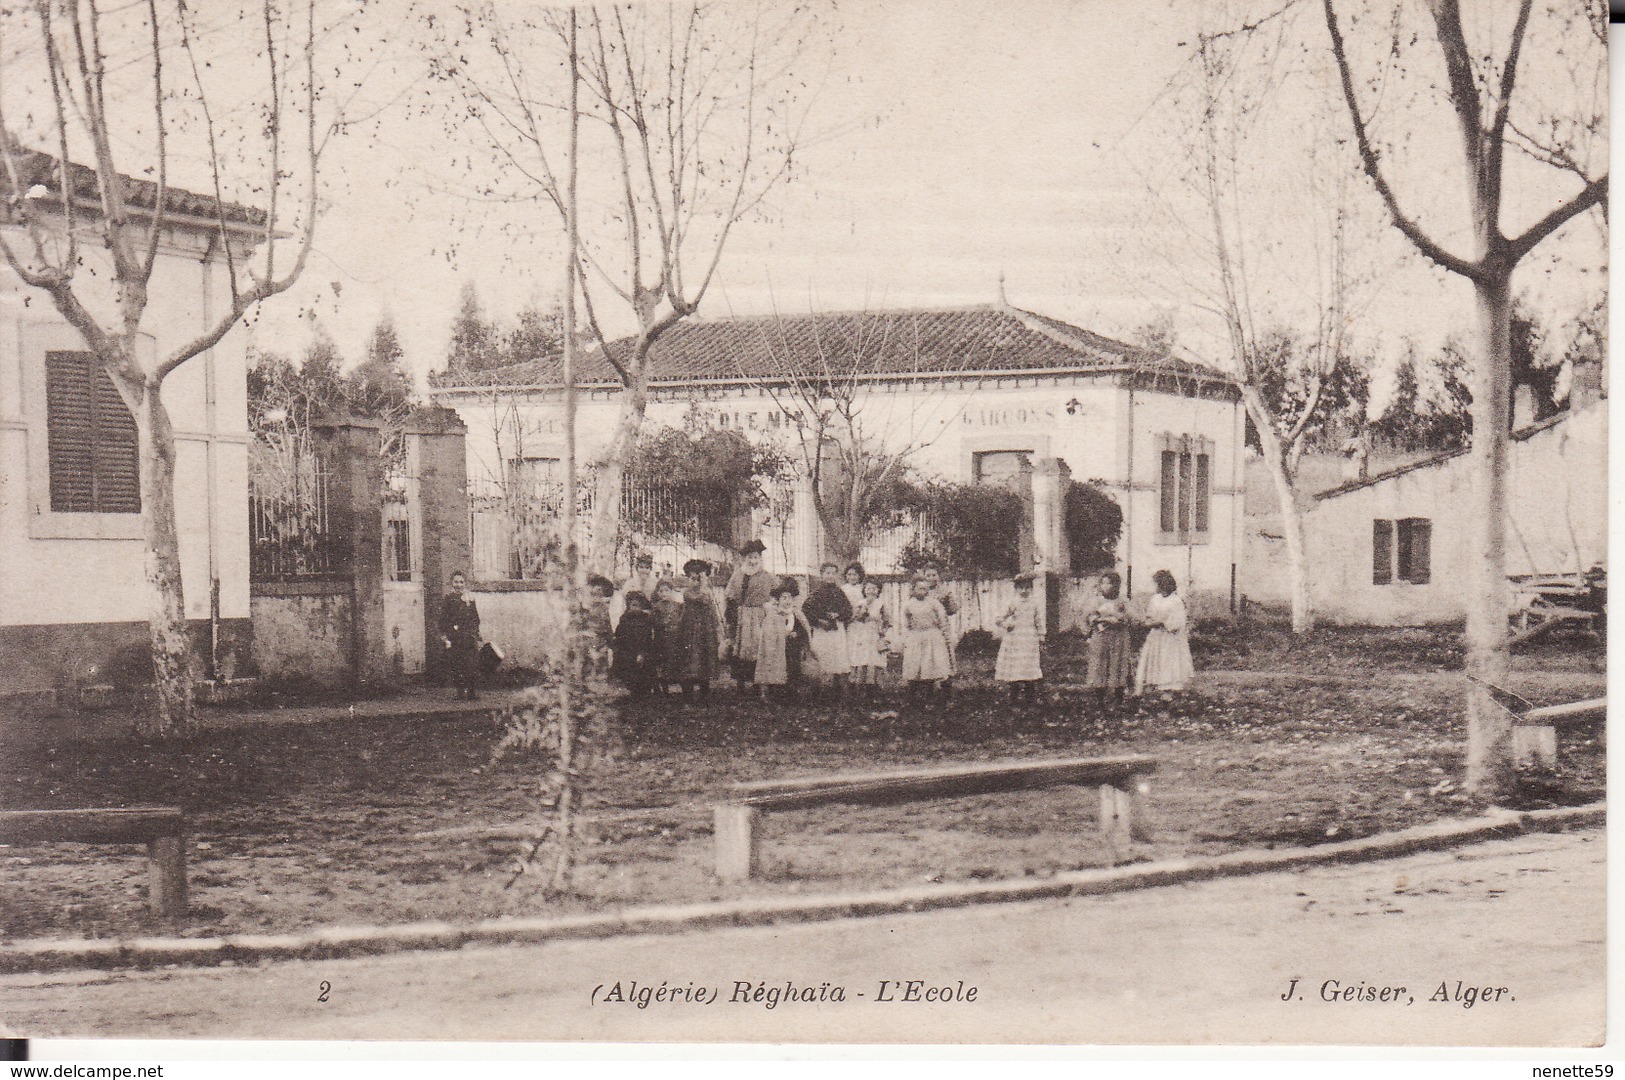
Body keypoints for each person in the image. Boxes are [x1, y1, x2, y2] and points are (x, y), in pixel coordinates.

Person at [723, 539, 780, 690]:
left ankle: (758, 683)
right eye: (749, 557)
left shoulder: (767, 576)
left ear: (760, 558)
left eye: (755, 557)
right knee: (741, 649)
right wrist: (731, 615)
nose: (753, 561)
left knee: (759, 647)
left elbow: (778, 592)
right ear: (744, 559)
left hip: (761, 615)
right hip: (743, 616)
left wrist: (770, 606)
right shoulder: (738, 575)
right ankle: (741, 683)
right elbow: (730, 596)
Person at [1136, 569, 1195, 698]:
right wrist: (1149, 621)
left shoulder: (1175, 601)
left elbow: (1177, 622)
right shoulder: (1155, 599)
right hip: (1156, 636)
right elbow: (1150, 615)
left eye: (1156, 583)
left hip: (1170, 638)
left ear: (1163, 584)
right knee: (1155, 660)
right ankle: (1155, 688)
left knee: (1168, 661)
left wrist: (1161, 622)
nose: (1154, 586)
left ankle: (1168, 691)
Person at [1084, 570, 1134, 713]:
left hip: (1119, 637)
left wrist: (1120, 618)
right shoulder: (1096, 600)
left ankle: (1118, 699)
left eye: (1111, 583)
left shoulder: (1123, 601)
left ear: (1117, 585)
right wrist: (1102, 619)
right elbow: (1089, 617)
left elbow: (1131, 617)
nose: (1107, 587)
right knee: (1100, 665)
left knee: (1119, 664)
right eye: (1104, 583)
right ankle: (1100, 700)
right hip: (1101, 637)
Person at [802, 560, 854, 695]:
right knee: (822, 658)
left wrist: (838, 614)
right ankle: (818, 690)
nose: (830, 576)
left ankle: (838, 689)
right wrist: (819, 621)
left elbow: (848, 610)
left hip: (836, 631)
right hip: (822, 631)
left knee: (838, 658)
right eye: (827, 573)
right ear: (821, 575)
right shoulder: (817, 593)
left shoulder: (839, 592)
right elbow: (806, 610)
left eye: (833, 573)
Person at [994, 572, 1044, 704]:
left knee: (1029, 667)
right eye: (1021, 587)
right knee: (1015, 668)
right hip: (1015, 639)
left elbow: (1038, 620)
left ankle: (1030, 698)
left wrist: (1041, 634)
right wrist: (1007, 625)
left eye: (1027, 587)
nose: (1024, 590)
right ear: (1016, 589)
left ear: (1031, 588)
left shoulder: (1034, 603)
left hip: (1030, 639)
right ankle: (1013, 697)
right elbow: (999, 618)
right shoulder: (1013, 602)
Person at [752, 582, 808, 699]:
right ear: (778, 600)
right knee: (773, 662)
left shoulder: (795, 614)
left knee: (792, 664)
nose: (787, 601)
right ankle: (773, 689)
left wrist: (796, 633)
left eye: (790, 598)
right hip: (776, 647)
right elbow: (767, 633)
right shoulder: (773, 614)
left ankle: (790, 689)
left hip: (791, 647)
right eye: (784, 598)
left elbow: (803, 629)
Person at [900, 575, 952, 700]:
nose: (923, 591)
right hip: (916, 636)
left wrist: (944, 633)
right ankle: (912, 698)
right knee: (915, 666)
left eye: (925, 589)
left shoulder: (934, 603)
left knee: (930, 666)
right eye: (919, 588)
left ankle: (930, 696)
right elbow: (905, 622)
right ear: (913, 589)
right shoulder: (908, 605)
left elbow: (942, 619)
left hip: (932, 637)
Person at [674, 559, 721, 695]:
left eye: (698, 578)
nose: (694, 582)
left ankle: (704, 692)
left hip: (705, 630)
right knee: (689, 660)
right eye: (692, 578)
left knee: (704, 659)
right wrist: (704, 586)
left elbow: (711, 608)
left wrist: (715, 627)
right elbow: (700, 598)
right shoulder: (688, 592)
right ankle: (687, 693)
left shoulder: (706, 591)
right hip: (689, 629)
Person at [438, 570, 482, 700]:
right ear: (451, 583)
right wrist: (448, 633)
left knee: (472, 664)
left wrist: (475, 631)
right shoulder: (448, 599)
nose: (459, 585)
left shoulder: (470, 599)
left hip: (469, 637)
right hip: (455, 637)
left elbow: (475, 617)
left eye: (461, 582)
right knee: (458, 664)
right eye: (456, 582)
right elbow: (443, 619)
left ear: (465, 583)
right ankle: (460, 692)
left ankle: (472, 692)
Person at [920, 561, 959, 692]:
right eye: (928, 575)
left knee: (944, 657)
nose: (931, 578)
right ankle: (928, 689)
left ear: (939, 576)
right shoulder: (920, 590)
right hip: (926, 628)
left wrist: (948, 599)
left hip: (941, 628)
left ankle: (946, 690)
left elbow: (953, 610)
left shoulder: (944, 590)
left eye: (934, 575)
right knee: (927, 657)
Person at [611, 590, 657, 697]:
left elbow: (648, 637)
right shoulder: (624, 619)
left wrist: (642, 652)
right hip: (628, 651)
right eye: (632, 605)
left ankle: (644, 691)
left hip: (643, 650)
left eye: (637, 605)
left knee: (645, 672)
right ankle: (633, 690)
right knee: (629, 672)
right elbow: (619, 636)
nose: (635, 608)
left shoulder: (646, 619)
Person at [847, 576, 886, 695]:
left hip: (875, 634)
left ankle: (873, 686)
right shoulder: (860, 603)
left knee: (874, 660)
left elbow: (887, 619)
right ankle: (859, 685)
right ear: (864, 590)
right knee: (862, 658)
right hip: (862, 634)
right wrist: (864, 608)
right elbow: (855, 618)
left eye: (874, 589)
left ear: (878, 590)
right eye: (868, 589)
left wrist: (882, 628)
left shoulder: (881, 604)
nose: (871, 591)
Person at [649, 578, 684, 693]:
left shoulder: (678, 606)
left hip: (675, 638)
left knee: (676, 660)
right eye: (661, 591)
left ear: (671, 591)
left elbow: (681, 619)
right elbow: (654, 622)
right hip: (662, 639)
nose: (664, 594)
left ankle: (680, 686)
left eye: (667, 591)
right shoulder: (656, 607)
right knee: (662, 662)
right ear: (657, 593)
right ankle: (664, 689)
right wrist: (663, 623)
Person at [583, 574, 616, 679]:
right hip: (588, 641)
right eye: (592, 594)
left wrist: (610, 642)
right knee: (588, 665)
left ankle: (601, 681)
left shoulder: (603, 610)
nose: (596, 598)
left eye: (599, 595)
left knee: (601, 666)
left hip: (601, 642)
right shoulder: (584, 610)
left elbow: (608, 627)